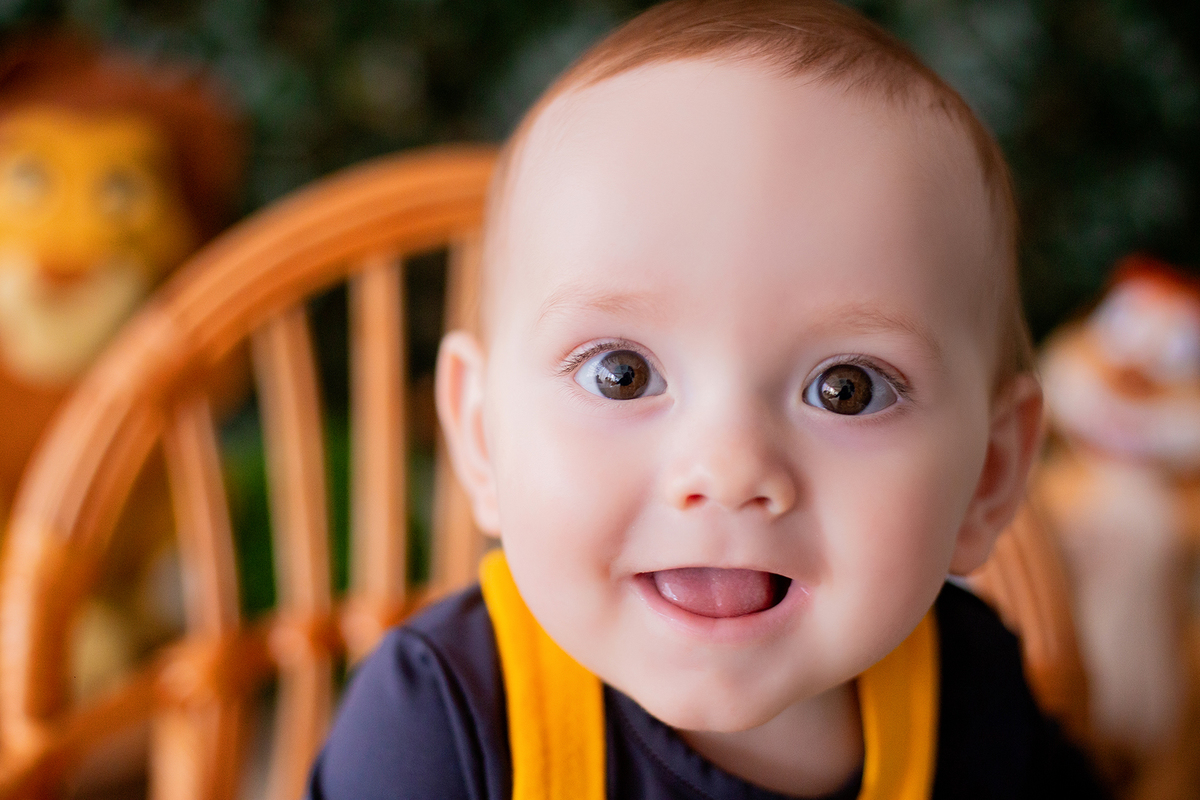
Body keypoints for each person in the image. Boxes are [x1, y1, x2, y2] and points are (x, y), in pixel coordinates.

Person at [306, 1, 1107, 797]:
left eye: (847, 389)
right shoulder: (441, 723)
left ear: (991, 475)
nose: (729, 468)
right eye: (620, 372)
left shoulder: (968, 695)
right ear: (482, 436)